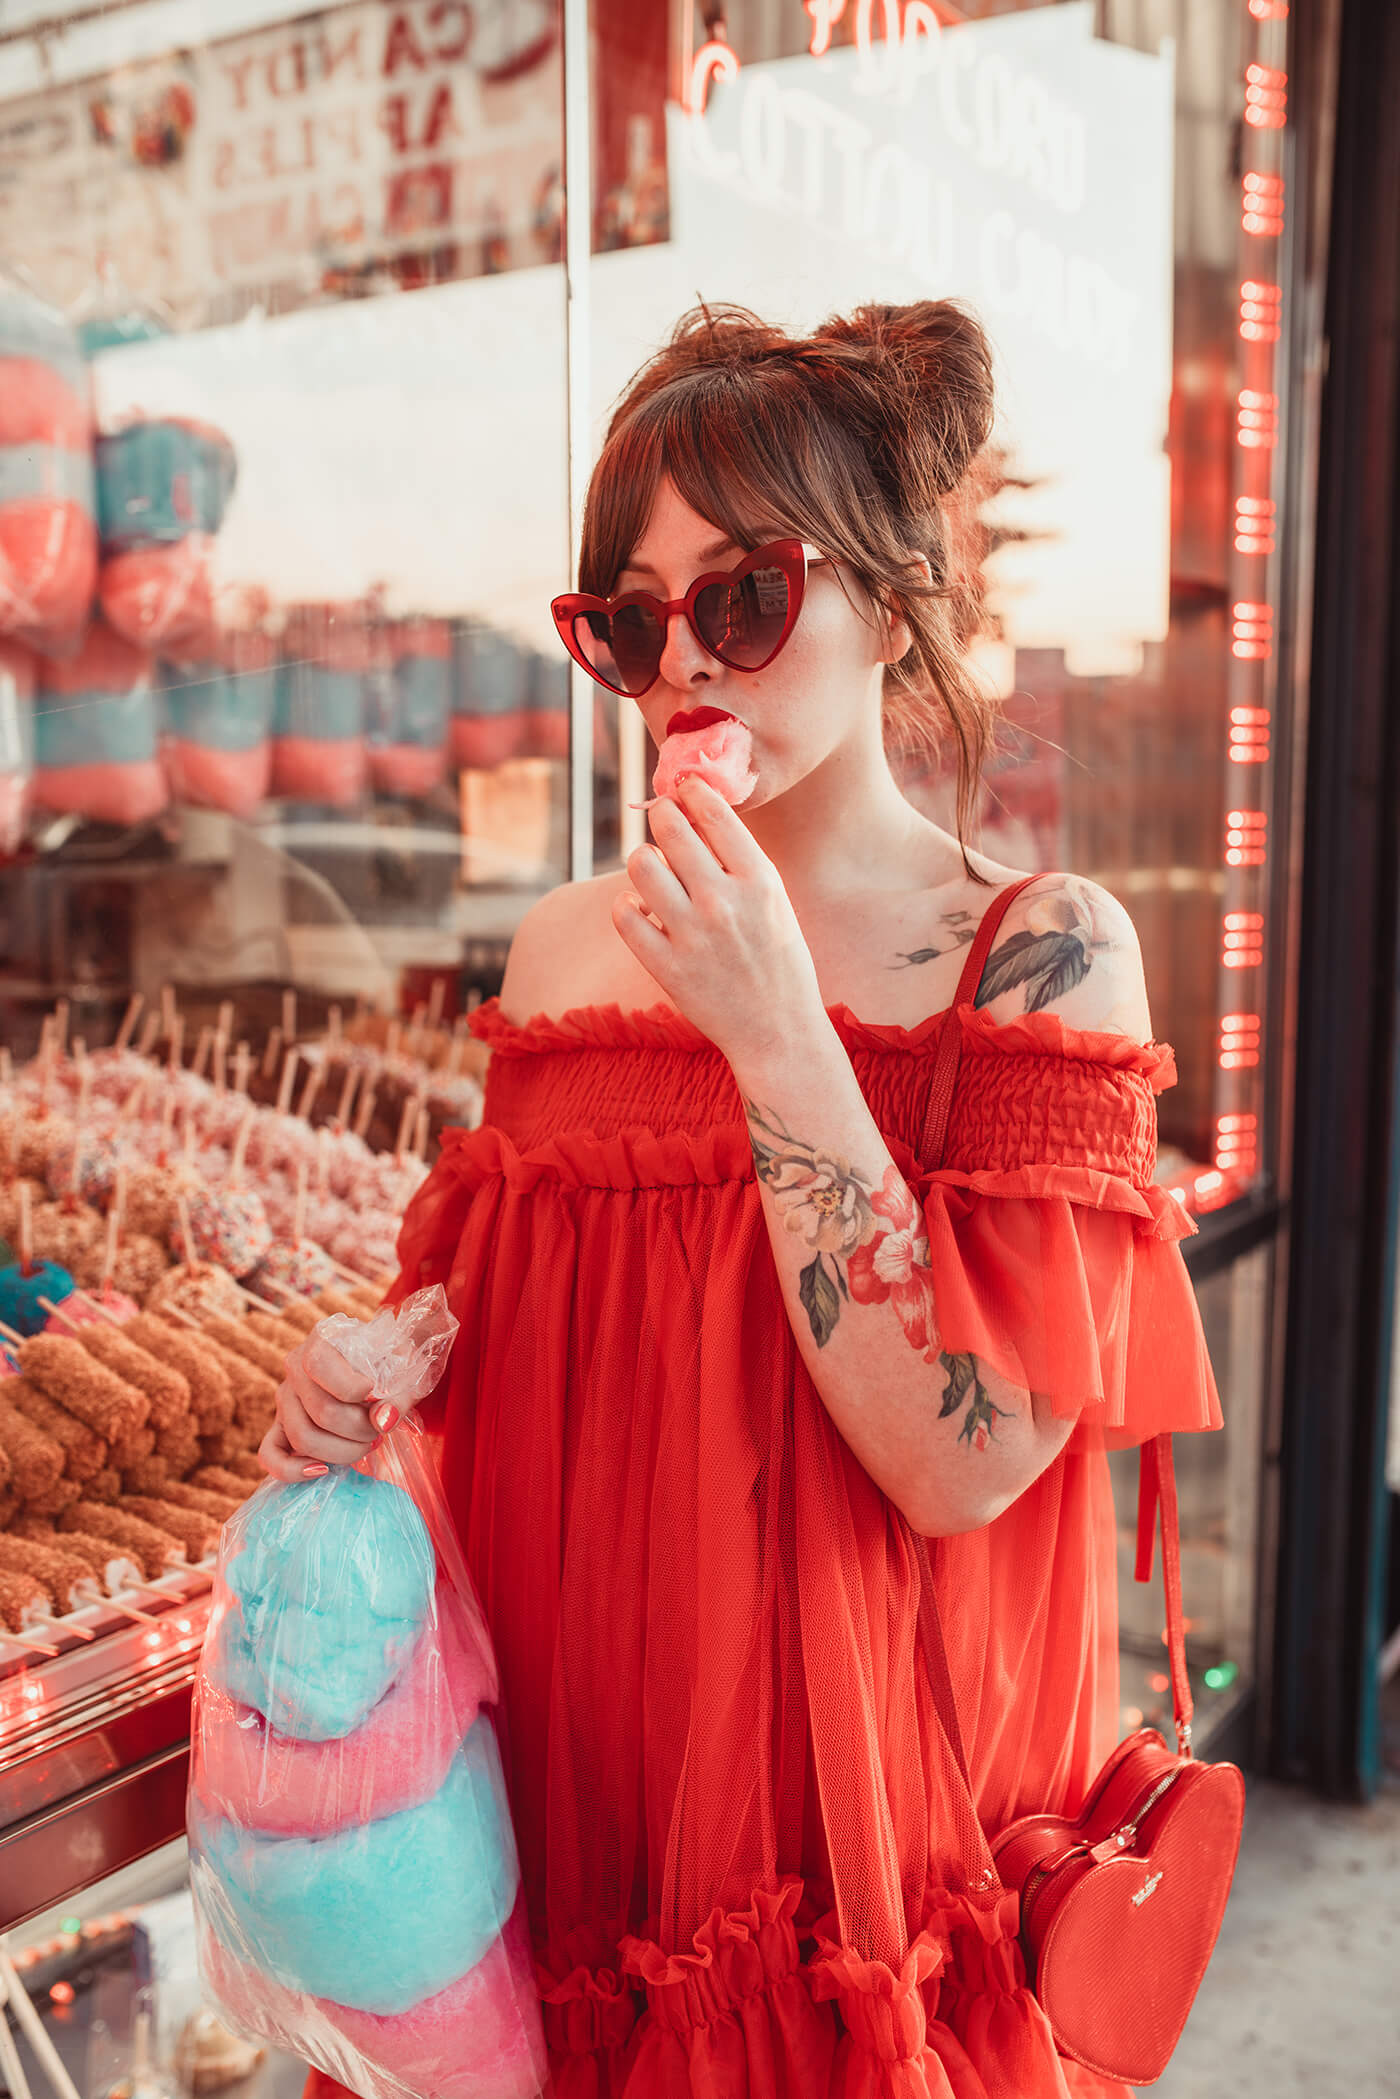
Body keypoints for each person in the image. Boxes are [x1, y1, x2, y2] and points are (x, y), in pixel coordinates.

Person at [265, 301, 1222, 2099]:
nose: (686, 662)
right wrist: (362, 1387)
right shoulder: (560, 951)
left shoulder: (1036, 955)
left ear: (892, 594)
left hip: (848, 1848)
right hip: (568, 1803)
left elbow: (964, 1461)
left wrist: (782, 1031)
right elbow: (501, 1344)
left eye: (746, 596)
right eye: (630, 619)